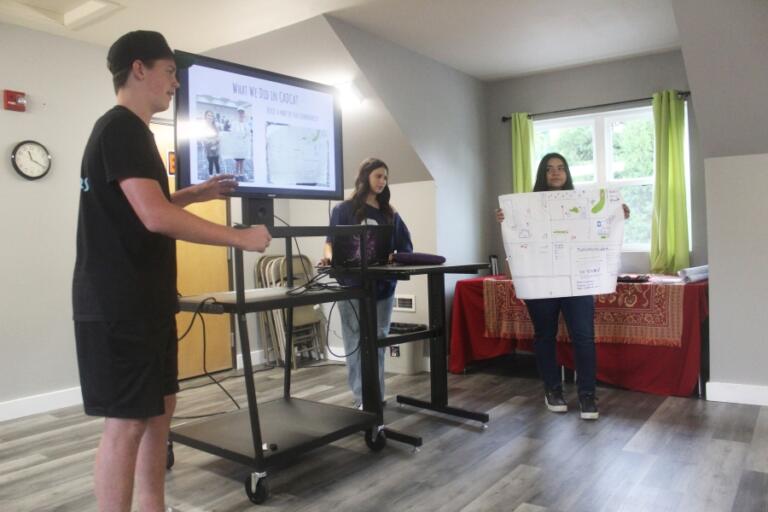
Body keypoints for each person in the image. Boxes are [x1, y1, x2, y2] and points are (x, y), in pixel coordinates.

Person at [72, 30, 272, 512]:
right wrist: (240, 238)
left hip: (144, 301)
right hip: (118, 306)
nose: (175, 84)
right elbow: (155, 217)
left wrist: (194, 194)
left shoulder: (129, 132)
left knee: (160, 412)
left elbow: (143, 205)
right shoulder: (120, 127)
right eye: (169, 73)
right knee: (127, 424)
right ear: (138, 69)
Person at [495, 152, 630, 420]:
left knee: (584, 337)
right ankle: (552, 390)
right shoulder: (526, 205)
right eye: (549, 169)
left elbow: (600, 227)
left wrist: (618, 214)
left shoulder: (581, 204)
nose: (555, 173)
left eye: (560, 168)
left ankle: (587, 395)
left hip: (577, 283)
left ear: (567, 173)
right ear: (542, 175)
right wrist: (505, 218)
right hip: (541, 281)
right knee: (545, 336)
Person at [319, 158, 413, 409]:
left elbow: (405, 248)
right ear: (365, 178)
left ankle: (377, 396)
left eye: (385, 177)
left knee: (379, 340)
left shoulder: (390, 214)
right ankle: (363, 399)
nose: (382, 181)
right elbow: (330, 243)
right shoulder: (343, 210)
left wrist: (395, 258)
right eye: (378, 176)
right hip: (351, 286)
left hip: (382, 288)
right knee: (355, 341)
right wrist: (328, 259)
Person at [202, 110, 221, 175]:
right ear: (205, 116)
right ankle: (211, 177)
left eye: (211, 115)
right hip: (208, 148)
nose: (210, 117)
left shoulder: (216, 126)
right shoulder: (203, 127)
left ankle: (218, 176)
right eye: (208, 115)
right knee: (210, 163)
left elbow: (218, 137)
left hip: (216, 148)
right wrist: (210, 142)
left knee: (216, 162)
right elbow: (203, 138)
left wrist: (216, 142)